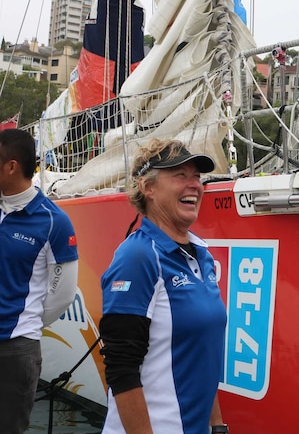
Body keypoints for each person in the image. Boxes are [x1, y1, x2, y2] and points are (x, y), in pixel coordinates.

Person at [99, 139, 229, 434]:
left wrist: (217, 426)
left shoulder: (203, 256)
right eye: (180, 176)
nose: (193, 185)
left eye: (196, 177)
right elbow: (121, 369)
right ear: (148, 188)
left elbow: (202, 355)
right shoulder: (138, 257)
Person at [0, 129, 78, 434]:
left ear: (11, 166)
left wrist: (25, 324)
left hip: (16, 350)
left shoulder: (53, 221)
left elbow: (63, 295)